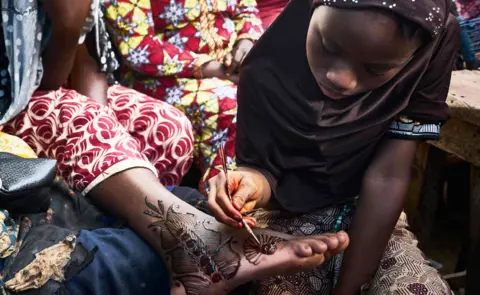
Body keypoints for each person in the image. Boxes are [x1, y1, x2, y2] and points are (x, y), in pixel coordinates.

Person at [0, 0, 349, 294]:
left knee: (167, 130)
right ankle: (193, 238)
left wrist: (104, 129)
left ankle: (176, 239)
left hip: (222, 71)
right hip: (17, 103)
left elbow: (88, 62)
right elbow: (128, 52)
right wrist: (67, 20)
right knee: (223, 107)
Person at [207, 0, 459, 294]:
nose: (341, 79)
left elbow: (386, 177)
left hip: (370, 220)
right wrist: (253, 183)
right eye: (327, 46)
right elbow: (264, 171)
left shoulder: (427, 50)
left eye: (378, 68)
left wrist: (349, 288)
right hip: (277, 219)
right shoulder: (267, 71)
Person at [103, 0, 264, 185]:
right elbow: (139, 48)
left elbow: (246, 7)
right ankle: (225, 198)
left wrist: (246, 41)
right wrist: (214, 69)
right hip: (162, 79)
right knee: (234, 105)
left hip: (233, 68)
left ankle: (273, 195)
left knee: (281, 89)